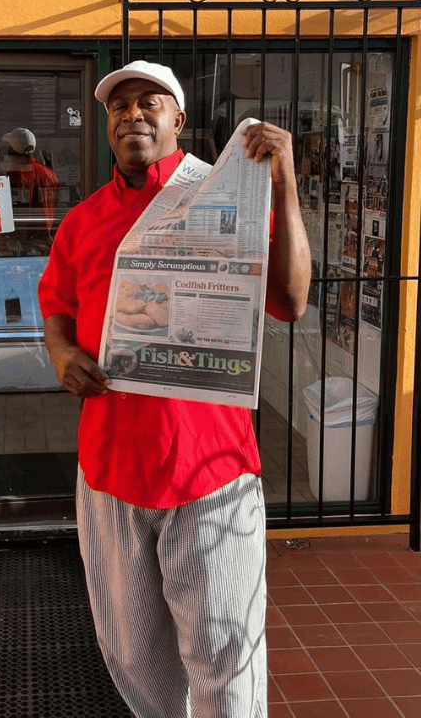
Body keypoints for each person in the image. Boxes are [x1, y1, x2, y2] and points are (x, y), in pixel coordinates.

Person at [38, 60, 310, 718]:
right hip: (109, 471)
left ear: (179, 121)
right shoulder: (83, 221)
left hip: (207, 471)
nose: (131, 114)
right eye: (117, 106)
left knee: (225, 656)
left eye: (148, 102)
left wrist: (285, 184)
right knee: (133, 656)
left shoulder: (223, 198)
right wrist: (60, 351)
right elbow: (56, 303)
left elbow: (293, 300)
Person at [1, 127, 59, 237]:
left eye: (8, 146)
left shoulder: (15, 176)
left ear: (12, 150)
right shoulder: (50, 174)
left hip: (25, 241)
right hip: (46, 239)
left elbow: (20, 213)